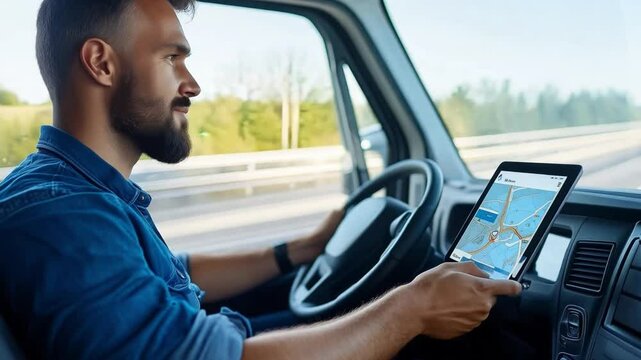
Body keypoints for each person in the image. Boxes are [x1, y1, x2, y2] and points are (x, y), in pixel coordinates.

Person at [0, 0, 522, 359]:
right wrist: (410, 309)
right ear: (100, 63)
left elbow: (175, 273)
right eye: (171, 57)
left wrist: (302, 249)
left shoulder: (74, 190)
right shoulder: (61, 215)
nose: (193, 84)